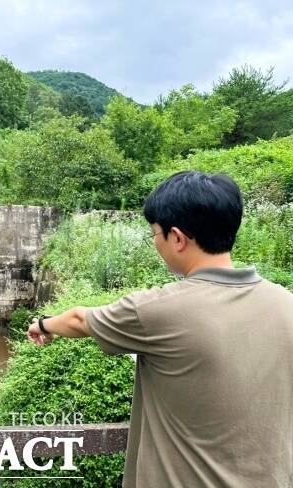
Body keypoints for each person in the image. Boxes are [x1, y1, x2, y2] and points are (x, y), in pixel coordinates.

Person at [27, 171, 293, 487]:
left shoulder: (160, 310)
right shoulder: (284, 302)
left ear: (177, 238)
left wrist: (43, 324)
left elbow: (79, 320)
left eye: (154, 233)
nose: (155, 242)